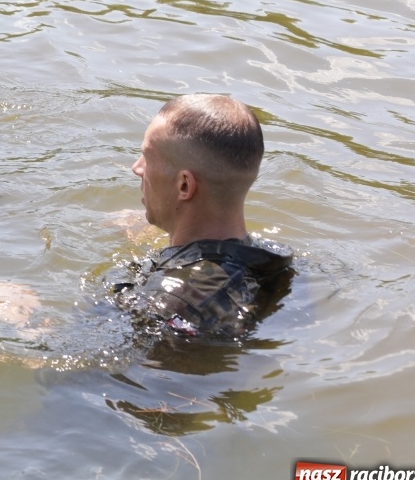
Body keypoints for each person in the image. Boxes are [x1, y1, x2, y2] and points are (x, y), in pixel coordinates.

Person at [114, 94, 293, 338]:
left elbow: (80, 374)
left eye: (148, 156)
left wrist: (42, 320)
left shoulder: (165, 305)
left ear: (184, 185)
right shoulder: (275, 266)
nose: (137, 168)